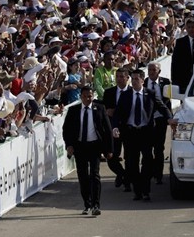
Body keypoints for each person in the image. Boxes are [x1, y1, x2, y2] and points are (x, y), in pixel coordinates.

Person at [62, 85, 113, 216]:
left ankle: (96, 204)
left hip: (95, 146)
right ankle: (87, 204)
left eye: (89, 96)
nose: (87, 99)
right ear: (81, 97)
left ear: (93, 96)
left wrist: (109, 150)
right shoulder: (74, 110)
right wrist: (69, 145)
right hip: (80, 146)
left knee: (94, 175)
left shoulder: (99, 109)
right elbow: (66, 130)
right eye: (84, 96)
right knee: (83, 176)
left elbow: (107, 130)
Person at [115, 69, 156, 201]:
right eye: (132, 79)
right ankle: (137, 191)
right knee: (132, 163)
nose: (133, 81)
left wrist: (170, 118)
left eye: (136, 79)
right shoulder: (126, 95)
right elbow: (118, 113)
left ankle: (146, 190)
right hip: (131, 133)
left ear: (143, 80)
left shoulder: (150, 94)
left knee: (148, 161)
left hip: (145, 132)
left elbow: (161, 107)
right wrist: (115, 127)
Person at [102, 68, 132, 191]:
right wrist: (108, 112)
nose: (119, 79)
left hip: (129, 128)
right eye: (117, 76)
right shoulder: (109, 92)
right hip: (113, 128)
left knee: (130, 157)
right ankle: (122, 174)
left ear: (127, 78)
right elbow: (105, 110)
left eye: (122, 77)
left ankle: (128, 183)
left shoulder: (132, 92)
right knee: (111, 157)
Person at [144, 62, 173, 185]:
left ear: (159, 71)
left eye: (153, 70)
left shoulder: (166, 82)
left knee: (159, 148)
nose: (151, 72)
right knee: (147, 147)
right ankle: (149, 172)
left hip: (161, 118)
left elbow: (168, 99)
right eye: (149, 70)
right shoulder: (144, 82)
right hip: (147, 119)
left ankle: (159, 175)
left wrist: (163, 112)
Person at [171, 19, 194, 92]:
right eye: (188, 27)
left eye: (193, 27)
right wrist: (174, 81)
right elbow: (175, 63)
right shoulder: (180, 42)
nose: (191, 29)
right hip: (184, 81)